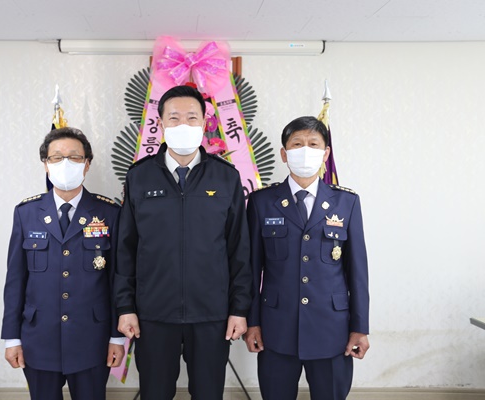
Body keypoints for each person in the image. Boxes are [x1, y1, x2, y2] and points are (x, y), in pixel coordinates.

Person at [114, 85, 252, 400]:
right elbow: (126, 249)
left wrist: (239, 309)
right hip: (153, 313)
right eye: (174, 118)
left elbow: (239, 250)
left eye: (192, 117)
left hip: (211, 314)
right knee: (155, 393)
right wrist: (125, 307)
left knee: (208, 393)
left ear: (204, 122)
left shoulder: (225, 177)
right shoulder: (139, 177)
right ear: (161, 123)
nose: (183, 125)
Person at [244, 116, 369, 400]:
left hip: (332, 330)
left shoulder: (346, 202)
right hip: (277, 328)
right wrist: (253, 322)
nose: (305, 151)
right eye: (297, 144)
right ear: (284, 153)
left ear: (325, 154)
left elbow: (358, 272)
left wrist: (359, 328)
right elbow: (251, 270)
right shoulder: (262, 202)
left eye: (313, 144)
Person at [1, 127, 124, 400]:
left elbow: (117, 280)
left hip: (92, 338)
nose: (65, 163)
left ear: (87, 164)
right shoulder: (26, 213)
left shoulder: (109, 213)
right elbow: (15, 280)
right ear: (45, 164)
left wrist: (116, 337)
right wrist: (12, 338)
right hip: (38, 338)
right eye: (56, 157)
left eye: (74, 157)